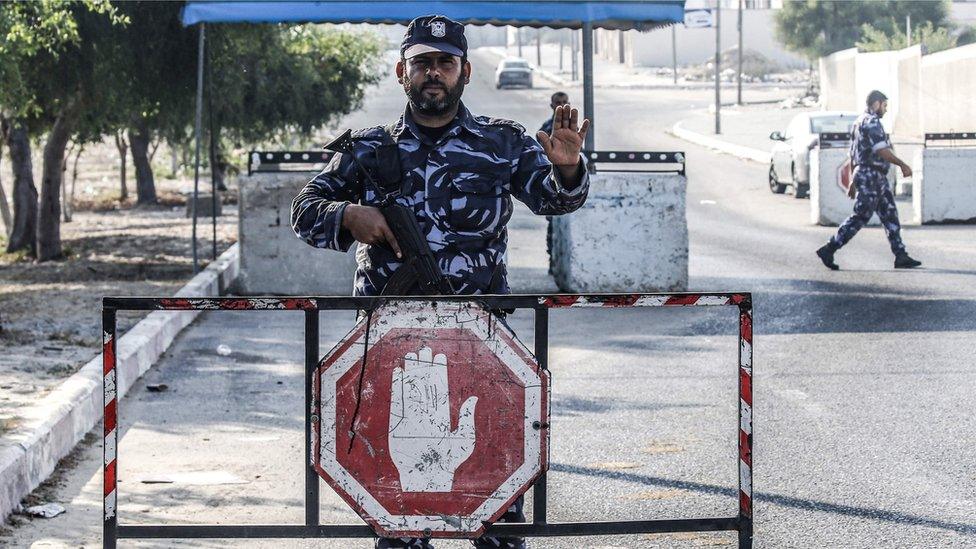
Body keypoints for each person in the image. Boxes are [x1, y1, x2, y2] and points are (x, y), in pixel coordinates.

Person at [291, 14, 590, 549]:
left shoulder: (502, 143)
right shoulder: (366, 149)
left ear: (465, 71)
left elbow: (555, 199)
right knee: (399, 517)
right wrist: (348, 217)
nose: (434, 73)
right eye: (423, 62)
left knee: (496, 512)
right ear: (401, 70)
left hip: (482, 345)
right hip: (390, 350)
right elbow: (304, 211)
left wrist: (567, 167)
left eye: (444, 63)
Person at [816, 90, 921, 270]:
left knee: (890, 215)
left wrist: (852, 179)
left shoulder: (858, 122)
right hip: (871, 176)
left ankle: (900, 255)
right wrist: (902, 164)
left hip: (872, 176)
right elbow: (881, 150)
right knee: (861, 216)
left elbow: (853, 154)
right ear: (876, 103)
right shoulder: (872, 122)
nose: (886, 110)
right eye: (885, 105)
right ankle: (830, 248)